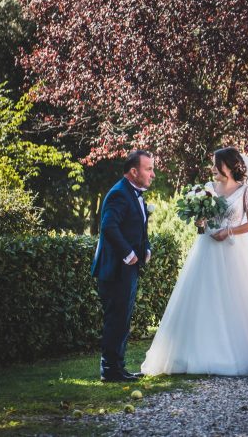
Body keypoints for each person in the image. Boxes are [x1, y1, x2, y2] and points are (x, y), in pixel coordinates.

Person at [141, 147, 248, 376]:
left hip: (233, 252)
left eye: (217, 164)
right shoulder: (207, 189)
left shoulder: (246, 191)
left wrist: (230, 232)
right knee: (202, 298)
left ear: (229, 165)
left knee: (236, 300)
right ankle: (196, 354)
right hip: (206, 249)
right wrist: (200, 222)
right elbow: (200, 225)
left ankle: (235, 353)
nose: (213, 168)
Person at [91, 150, 154, 382]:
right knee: (116, 320)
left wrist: (145, 248)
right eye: (148, 169)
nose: (152, 174)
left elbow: (139, 227)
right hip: (115, 270)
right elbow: (109, 227)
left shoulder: (134, 193)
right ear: (133, 171)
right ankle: (110, 371)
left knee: (122, 320)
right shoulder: (119, 194)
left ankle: (118, 368)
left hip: (127, 270)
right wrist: (128, 254)